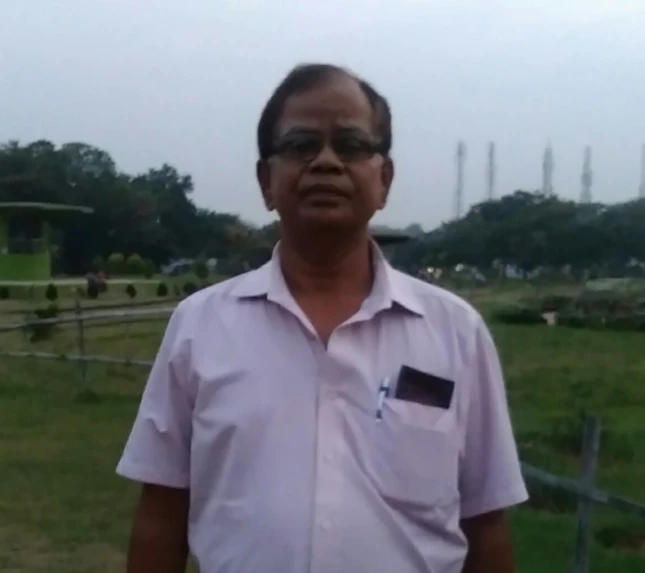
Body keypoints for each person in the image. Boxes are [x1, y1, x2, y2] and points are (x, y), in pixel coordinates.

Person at [117, 63, 528, 573]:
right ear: (267, 181)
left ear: (384, 180)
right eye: (300, 145)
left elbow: (486, 524)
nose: (326, 162)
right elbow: (161, 513)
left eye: (352, 145)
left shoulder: (454, 332)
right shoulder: (200, 327)